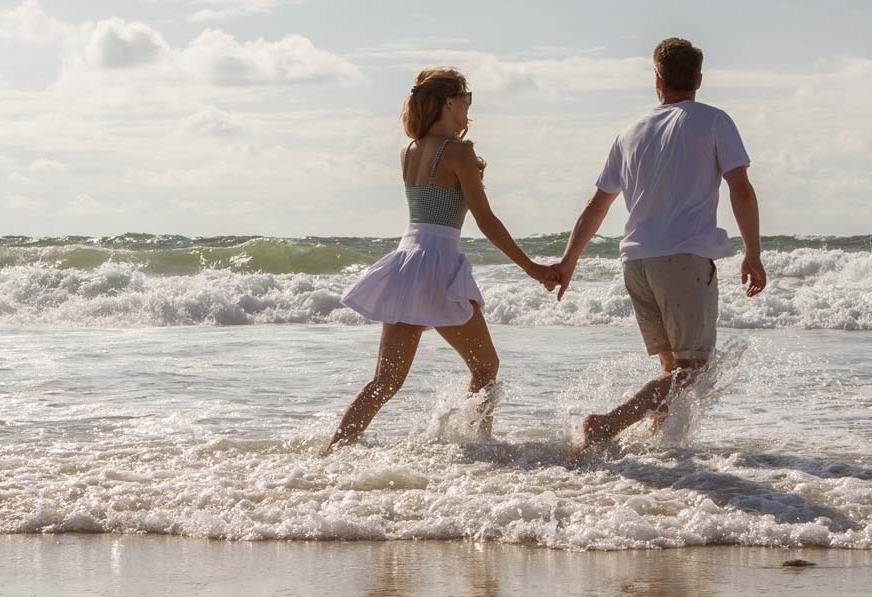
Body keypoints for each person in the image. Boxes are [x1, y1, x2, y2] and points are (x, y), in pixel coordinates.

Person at [329, 67, 561, 449]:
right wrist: (532, 267)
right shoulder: (458, 152)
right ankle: (479, 445)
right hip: (438, 267)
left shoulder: (410, 151)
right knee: (486, 368)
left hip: (407, 260)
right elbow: (486, 221)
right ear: (450, 102)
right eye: (467, 101)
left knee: (385, 381)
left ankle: (336, 448)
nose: (469, 109)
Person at [554, 37, 767, 452]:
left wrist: (568, 262)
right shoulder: (714, 120)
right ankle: (606, 424)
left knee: (672, 368)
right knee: (694, 371)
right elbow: (740, 188)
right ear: (699, 80)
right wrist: (753, 252)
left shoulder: (630, 131)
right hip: (684, 259)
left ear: (657, 80)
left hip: (636, 262)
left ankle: (661, 448)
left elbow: (597, 205)